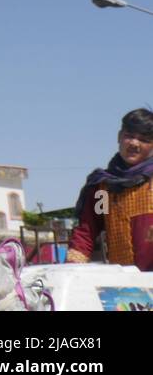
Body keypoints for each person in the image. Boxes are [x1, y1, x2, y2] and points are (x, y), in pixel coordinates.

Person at [67, 108, 153, 271]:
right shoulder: (104, 189)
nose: (134, 144)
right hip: (122, 282)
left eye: (144, 140)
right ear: (119, 137)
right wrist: (71, 270)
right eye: (129, 136)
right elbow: (87, 232)